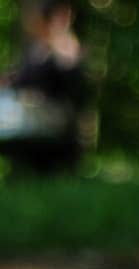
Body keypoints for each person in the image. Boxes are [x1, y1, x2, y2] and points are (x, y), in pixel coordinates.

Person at [0, 1, 85, 173]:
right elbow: (18, 80)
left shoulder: (67, 48)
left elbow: (72, 88)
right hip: (28, 117)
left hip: (52, 120)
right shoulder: (37, 49)